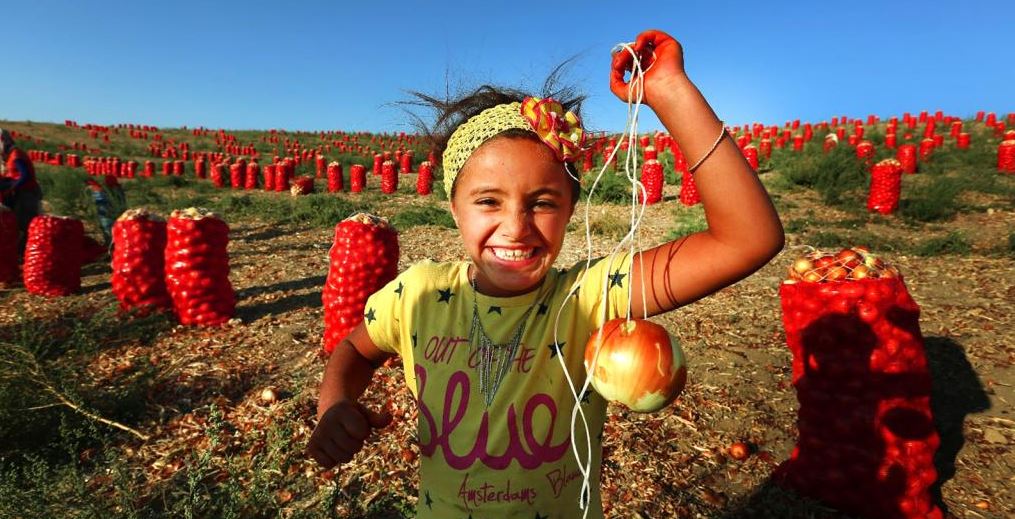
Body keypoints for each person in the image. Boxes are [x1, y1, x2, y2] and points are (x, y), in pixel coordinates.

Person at [307, 29, 784, 518]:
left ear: (571, 207)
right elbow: (354, 349)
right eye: (488, 201)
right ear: (453, 208)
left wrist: (670, 93)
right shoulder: (419, 294)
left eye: (543, 202)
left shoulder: (589, 297)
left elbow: (747, 240)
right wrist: (335, 405)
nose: (515, 228)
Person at [0, 128, 43, 255]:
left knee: (26, 225)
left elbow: (24, 176)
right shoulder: (10, 156)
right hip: (21, 192)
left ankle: (29, 254)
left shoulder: (16, 155)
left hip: (27, 194)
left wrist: (10, 186)